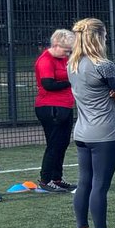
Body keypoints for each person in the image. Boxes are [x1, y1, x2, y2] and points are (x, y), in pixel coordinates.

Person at [67, 18, 115, 228]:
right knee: (100, 185)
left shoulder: (72, 64)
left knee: (84, 182)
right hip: (103, 133)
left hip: (82, 131)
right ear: (99, 37)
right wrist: (113, 95)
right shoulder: (103, 65)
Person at [34, 29, 77, 193]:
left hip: (65, 106)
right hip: (50, 107)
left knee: (62, 143)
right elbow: (48, 84)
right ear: (56, 44)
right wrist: (71, 82)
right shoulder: (45, 60)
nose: (68, 53)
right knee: (54, 144)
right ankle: (45, 180)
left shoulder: (64, 59)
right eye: (66, 49)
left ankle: (56, 178)